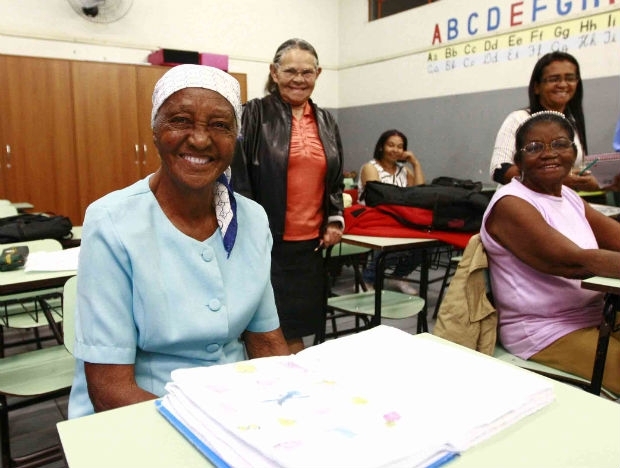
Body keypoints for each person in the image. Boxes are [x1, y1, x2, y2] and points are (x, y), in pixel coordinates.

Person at [68, 64, 290, 418]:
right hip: (145, 410)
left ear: (236, 138)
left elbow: (265, 340)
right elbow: (110, 389)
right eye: (180, 121)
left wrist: (294, 403)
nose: (200, 139)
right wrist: (218, 428)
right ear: (155, 130)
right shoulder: (111, 221)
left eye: (219, 125)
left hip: (236, 406)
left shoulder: (251, 219)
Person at [480, 111, 620, 394]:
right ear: (517, 161)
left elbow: (615, 237)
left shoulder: (566, 195)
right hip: (544, 330)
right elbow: (577, 261)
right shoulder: (511, 203)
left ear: (574, 152)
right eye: (533, 147)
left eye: (559, 144)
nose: (549, 154)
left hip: (595, 313)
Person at [237, 38, 344, 354]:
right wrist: (247, 232)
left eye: (307, 72)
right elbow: (239, 178)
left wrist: (334, 219)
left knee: (297, 328)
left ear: (318, 73)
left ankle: (290, 386)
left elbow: (334, 179)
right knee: (269, 331)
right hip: (266, 243)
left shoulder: (326, 120)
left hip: (309, 246)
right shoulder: (253, 114)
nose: (299, 79)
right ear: (274, 72)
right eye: (291, 71)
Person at [490, 52, 601, 192]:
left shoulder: (571, 123)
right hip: (521, 203)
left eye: (570, 78)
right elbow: (499, 169)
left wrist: (587, 180)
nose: (562, 84)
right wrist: (556, 179)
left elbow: (573, 171)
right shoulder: (519, 119)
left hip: (558, 204)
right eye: (554, 79)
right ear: (536, 87)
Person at [357, 129, 425, 295]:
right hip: (373, 219)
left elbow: (421, 193)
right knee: (396, 242)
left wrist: (415, 164)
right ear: (381, 147)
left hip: (399, 219)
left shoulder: (404, 171)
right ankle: (367, 280)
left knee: (425, 246)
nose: (395, 150)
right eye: (391, 145)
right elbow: (378, 197)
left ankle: (399, 276)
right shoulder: (370, 167)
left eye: (400, 147)